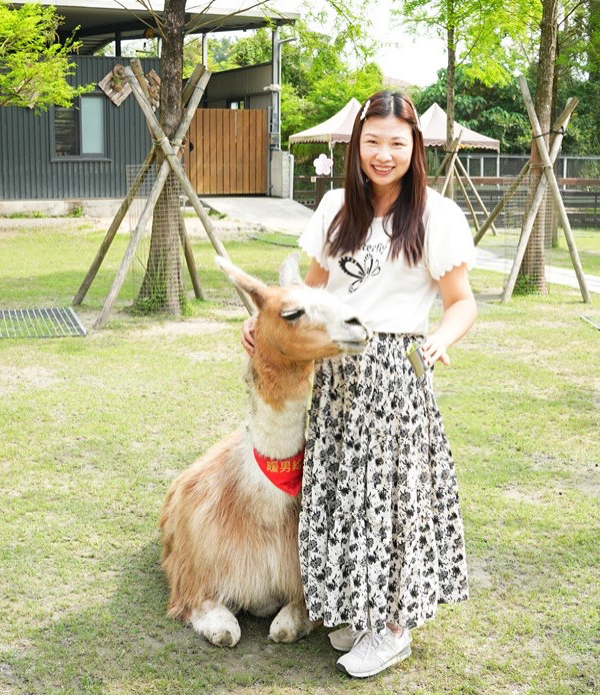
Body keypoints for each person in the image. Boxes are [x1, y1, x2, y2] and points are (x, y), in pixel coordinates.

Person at [242, 90, 476, 678]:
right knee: (338, 490)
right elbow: (310, 292)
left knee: (389, 501)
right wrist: (261, 323)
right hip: (332, 371)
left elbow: (462, 302)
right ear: (356, 146)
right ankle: (350, 604)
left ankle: (392, 627)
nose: (383, 153)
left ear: (414, 147)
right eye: (372, 141)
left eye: (397, 142)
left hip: (393, 372)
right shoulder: (334, 209)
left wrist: (443, 338)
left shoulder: (436, 217)